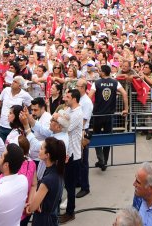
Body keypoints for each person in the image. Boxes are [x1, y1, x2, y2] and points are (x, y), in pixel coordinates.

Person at [92, 63, 128, 171]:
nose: (98, 72)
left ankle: (101, 160)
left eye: (99, 70)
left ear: (103, 72)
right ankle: (104, 161)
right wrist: (126, 109)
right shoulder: (115, 82)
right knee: (108, 138)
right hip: (109, 115)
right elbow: (124, 94)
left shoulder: (96, 83)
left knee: (97, 137)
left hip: (98, 114)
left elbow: (89, 96)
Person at [26, 137, 66, 226]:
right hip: (52, 216)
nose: (39, 150)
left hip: (43, 221)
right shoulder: (58, 171)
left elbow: (32, 208)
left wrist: (30, 206)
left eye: (41, 148)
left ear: (47, 155)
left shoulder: (48, 179)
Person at [62, 89, 86, 222]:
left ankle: (70, 212)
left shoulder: (77, 114)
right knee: (66, 183)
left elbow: (65, 127)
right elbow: (60, 117)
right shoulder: (69, 110)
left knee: (70, 186)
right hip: (67, 152)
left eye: (68, 96)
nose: (65, 98)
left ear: (74, 99)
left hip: (73, 155)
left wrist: (60, 119)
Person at [0, 75, 33, 141]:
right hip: (2, 125)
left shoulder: (24, 94)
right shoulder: (6, 90)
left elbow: (31, 105)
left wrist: (26, 114)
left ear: (20, 86)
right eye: (13, 81)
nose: (12, 83)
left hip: (14, 127)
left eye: (15, 82)